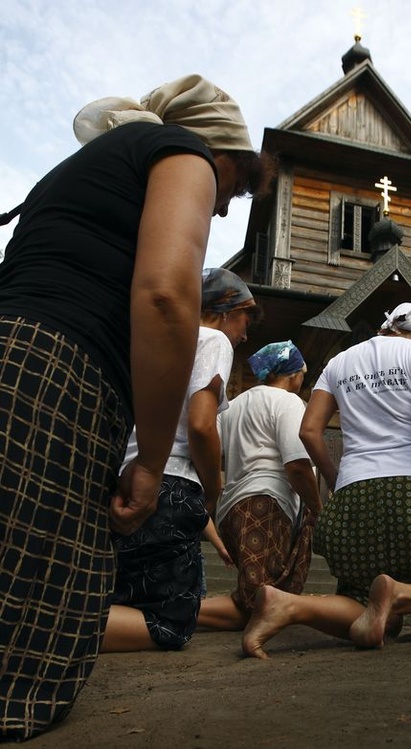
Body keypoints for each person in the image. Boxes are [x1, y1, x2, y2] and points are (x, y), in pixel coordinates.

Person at [0, 74, 273, 740]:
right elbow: (165, 295)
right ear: (222, 150)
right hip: (55, 368)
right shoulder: (181, 151)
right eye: (235, 188)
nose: (224, 208)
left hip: (13, 344)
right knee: (38, 608)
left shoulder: (77, 172)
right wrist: (151, 458)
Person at [242, 303, 411, 659]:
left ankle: (288, 605)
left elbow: (310, 430)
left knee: (366, 606)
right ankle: (400, 593)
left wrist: (334, 479)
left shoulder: (339, 362)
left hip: (354, 493)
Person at [101, 269, 261, 652]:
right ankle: (38, 623)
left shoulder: (149, 340)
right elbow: (201, 424)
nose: (244, 334)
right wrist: (213, 487)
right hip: (171, 482)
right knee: (171, 623)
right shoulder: (211, 339)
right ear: (224, 311)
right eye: (244, 319)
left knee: (124, 596)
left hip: (125, 479)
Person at [197, 341, 322, 632]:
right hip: (265, 503)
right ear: (293, 375)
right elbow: (297, 464)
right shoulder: (288, 402)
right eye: (302, 374)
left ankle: (182, 612)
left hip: (232, 509)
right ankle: (176, 611)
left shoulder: (231, 407)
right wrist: (318, 509)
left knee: (259, 599)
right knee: (260, 601)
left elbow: (211, 450)